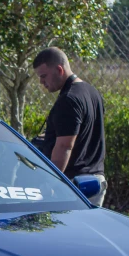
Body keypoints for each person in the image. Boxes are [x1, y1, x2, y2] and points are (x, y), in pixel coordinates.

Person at [32, 47, 107, 206]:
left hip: (75, 185)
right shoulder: (92, 92)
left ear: (59, 69)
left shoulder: (69, 99)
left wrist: (51, 183)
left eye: (44, 76)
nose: (41, 82)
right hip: (95, 180)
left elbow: (65, 146)